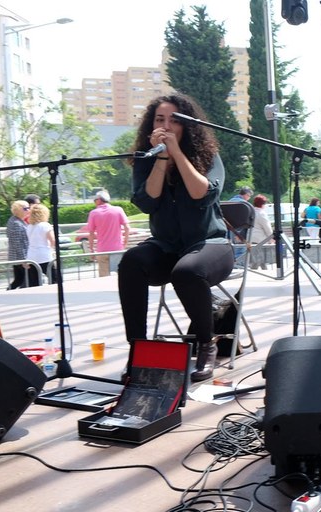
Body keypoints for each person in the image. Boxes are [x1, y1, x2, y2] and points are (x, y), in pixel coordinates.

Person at [118, 94, 234, 382]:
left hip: (211, 244)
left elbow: (201, 194)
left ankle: (206, 344)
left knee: (187, 271)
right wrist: (161, 159)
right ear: (151, 125)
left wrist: (177, 156)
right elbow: (147, 202)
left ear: (187, 125)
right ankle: (138, 350)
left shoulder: (209, 157)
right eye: (160, 119)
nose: (166, 125)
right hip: (167, 246)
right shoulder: (145, 160)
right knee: (131, 262)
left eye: (174, 120)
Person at [86, 189, 130, 277]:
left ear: (98, 200)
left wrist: (91, 249)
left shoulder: (93, 213)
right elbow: (127, 227)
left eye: (95, 200)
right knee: (120, 275)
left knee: (104, 277)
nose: (94, 202)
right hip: (117, 248)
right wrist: (125, 242)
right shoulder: (118, 210)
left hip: (102, 250)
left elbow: (91, 233)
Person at [25, 203, 56, 287]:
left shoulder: (29, 226)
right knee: (55, 279)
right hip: (44, 255)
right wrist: (52, 250)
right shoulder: (45, 225)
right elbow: (53, 240)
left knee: (34, 283)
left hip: (31, 257)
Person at [6, 200, 30, 289]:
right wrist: (24, 260)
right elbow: (18, 243)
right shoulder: (16, 223)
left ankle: (8, 292)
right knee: (26, 280)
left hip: (17, 257)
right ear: (19, 210)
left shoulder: (17, 221)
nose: (28, 210)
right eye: (26, 208)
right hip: (19, 258)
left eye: (29, 208)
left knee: (19, 280)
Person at [249, 194, 273, 270]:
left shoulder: (250, 212)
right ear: (263, 204)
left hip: (250, 237)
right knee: (261, 258)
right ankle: (261, 270)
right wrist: (271, 237)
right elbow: (267, 227)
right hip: (261, 239)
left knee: (256, 257)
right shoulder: (262, 213)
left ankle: (257, 269)